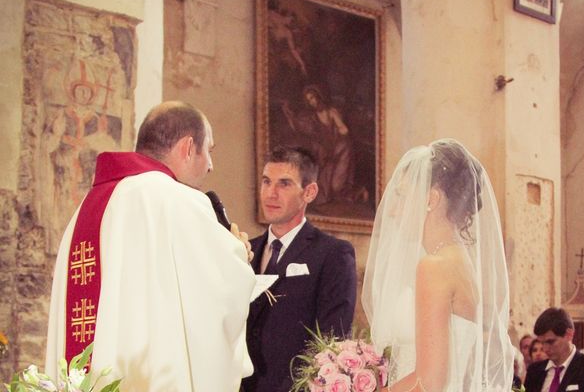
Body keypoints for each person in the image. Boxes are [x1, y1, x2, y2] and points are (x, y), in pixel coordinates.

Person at [46, 101, 256, 391]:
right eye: (209, 150)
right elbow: (221, 291)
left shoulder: (88, 207)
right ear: (187, 147)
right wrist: (239, 255)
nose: (210, 165)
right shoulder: (176, 200)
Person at [362, 139, 514, 391]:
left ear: (431, 198)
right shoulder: (459, 262)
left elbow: (429, 382)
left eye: (401, 196)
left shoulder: (434, 267)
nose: (392, 211)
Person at [243, 146, 357, 392]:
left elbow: (332, 340)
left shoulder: (333, 254)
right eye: (266, 182)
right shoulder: (242, 251)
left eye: (284, 184)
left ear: (310, 192)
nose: (270, 194)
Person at [524, 307, 584, 392]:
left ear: (569, 334)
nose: (545, 348)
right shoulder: (534, 371)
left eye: (550, 342)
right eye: (542, 342)